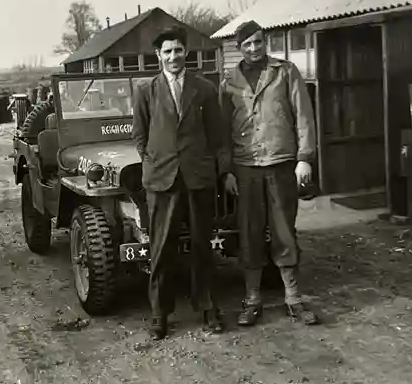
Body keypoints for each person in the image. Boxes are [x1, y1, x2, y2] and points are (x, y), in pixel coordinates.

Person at [221, 20, 320, 326]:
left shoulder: (286, 72)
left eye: (258, 42)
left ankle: (293, 298)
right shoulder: (228, 81)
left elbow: (304, 116)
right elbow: (222, 132)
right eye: (247, 44)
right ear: (239, 48)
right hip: (245, 167)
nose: (254, 49)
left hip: (281, 163)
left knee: (283, 231)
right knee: (249, 233)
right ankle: (252, 300)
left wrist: (305, 157)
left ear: (265, 43)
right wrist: (227, 171)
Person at [132, 26, 226, 339]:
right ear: (158, 56)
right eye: (168, 51)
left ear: (186, 52)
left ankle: (207, 305)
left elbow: (216, 135)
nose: (174, 56)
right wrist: (157, 162)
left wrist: (213, 168)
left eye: (178, 50)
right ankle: (160, 312)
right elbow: (140, 136)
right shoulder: (146, 90)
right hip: (162, 180)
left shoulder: (204, 88)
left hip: (198, 178)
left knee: (202, 244)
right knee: (161, 248)